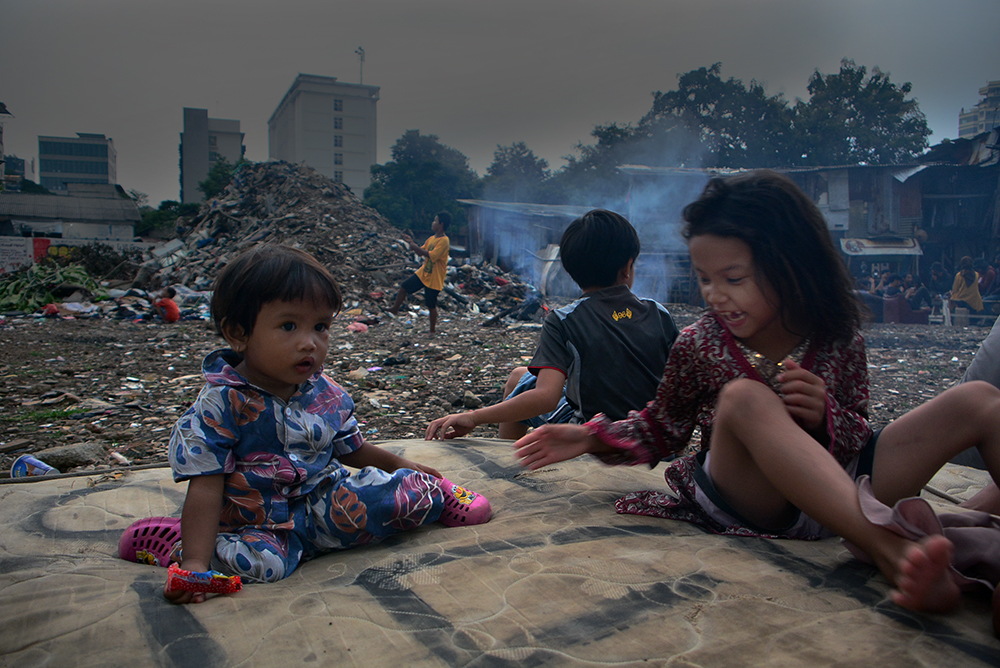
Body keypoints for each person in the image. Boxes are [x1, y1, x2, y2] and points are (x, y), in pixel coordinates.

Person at [513, 171, 1000, 622]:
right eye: (705, 279)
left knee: (978, 399)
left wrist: (825, 413)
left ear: (791, 266)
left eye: (733, 279)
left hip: (846, 485)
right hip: (755, 496)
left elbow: (857, 424)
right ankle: (891, 551)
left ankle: (937, 539)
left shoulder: (837, 334)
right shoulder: (700, 343)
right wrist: (589, 436)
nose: (715, 296)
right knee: (744, 398)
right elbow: (662, 427)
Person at [118, 245, 491, 604]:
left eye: (321, 326)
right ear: (238, 334)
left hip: (324, 503)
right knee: (265, 569)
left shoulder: (326, 393)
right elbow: (206, 485)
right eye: (289, 326)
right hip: (256, 523)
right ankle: (179, 543)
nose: (309, 343)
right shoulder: (220, 405)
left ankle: (439, 496)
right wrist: (196, 564)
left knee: (393, 495)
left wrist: (401, 466)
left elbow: (353, 449)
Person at [425, 209, 679, 441]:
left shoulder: (565, 320)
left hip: (594, 437)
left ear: (570, 271)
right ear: (627, 267)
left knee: (520, 384)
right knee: (519, 376)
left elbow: (545, 398)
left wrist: (474, 416)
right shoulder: (659, 313)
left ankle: (509, 468)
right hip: (651, 436)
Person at [389, 212, 452, 334]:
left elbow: (430, 255)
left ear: (441, 224)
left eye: (435, 221)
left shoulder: (444, 241)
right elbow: (420, 251)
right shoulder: (431, 239)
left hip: (435, 277)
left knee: (431, 304)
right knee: (404, 287)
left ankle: (432, 330)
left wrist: (413, 245)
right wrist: (410, 242)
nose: (432, 223)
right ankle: (394, 309)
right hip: (424, 273)